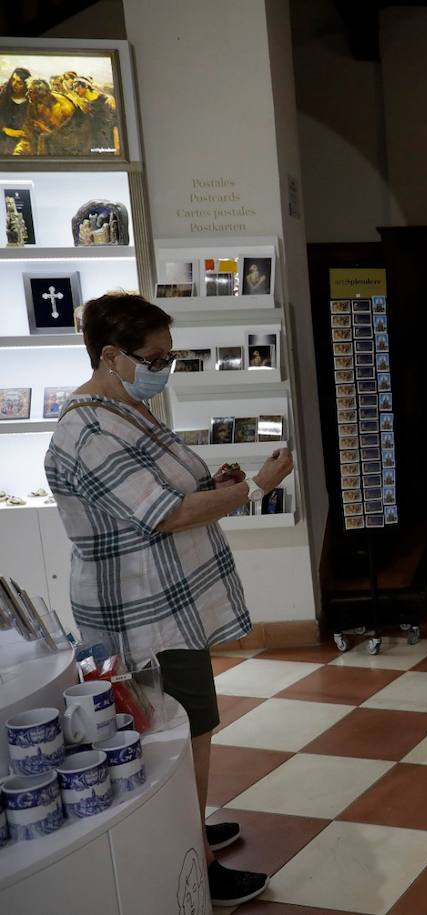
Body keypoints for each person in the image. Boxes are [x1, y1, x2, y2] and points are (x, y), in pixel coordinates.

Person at [43, 293, 294, 907]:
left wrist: (216, 485)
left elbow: (166, 492)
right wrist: (256, 489)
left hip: (166, 603)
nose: (165, 366)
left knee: (185, 724)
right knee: (186, 730)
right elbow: (165, 513)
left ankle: (189, 829)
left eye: (170, 354)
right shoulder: (90, 426)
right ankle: (197, 864)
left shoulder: (126, 407)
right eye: (156, 357)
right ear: (111, 355)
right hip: (142, 611)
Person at [1, 67, 29, 155]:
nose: (14, 84)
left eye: (19, 82)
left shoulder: (30, 102)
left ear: (26, 85)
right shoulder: (3, 97)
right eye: (13, 80)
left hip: (21, 141)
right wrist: (5, 129)